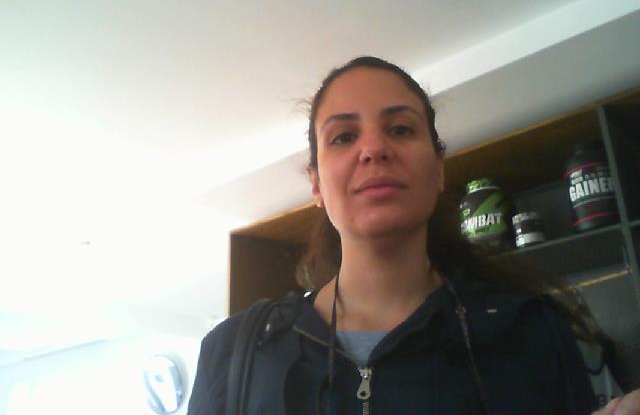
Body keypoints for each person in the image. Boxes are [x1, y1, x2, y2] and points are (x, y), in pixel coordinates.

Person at [187, 56, 639, 414]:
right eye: (343, 137)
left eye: (400, 129)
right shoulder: (235, 351)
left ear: (438, 169)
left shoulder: (532, 330)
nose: (373, 148)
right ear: (317, 185)